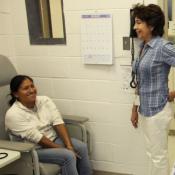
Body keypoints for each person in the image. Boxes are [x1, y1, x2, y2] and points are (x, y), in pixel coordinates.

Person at [5, 75, 92, 175]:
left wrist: (69, 146)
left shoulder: (44, 100)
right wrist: (64, 150)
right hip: (32, 150)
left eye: (32, 86)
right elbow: (38, 138)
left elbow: (58, 122)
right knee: (68, 155)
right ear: (16, 94)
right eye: (26, 88)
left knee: (81, 147)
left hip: (53, 139)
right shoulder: (13, 114)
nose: (31, 90)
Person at [130, 4, 175, 175]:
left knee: (158, 157)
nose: (135, 27)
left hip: (158, 111)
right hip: (145, 110)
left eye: (139, 22)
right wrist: (134, 109)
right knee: (150, 154)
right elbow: (140, 83)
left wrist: (173, 94)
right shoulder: (143, 47)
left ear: (151, 25)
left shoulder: (163, 47)